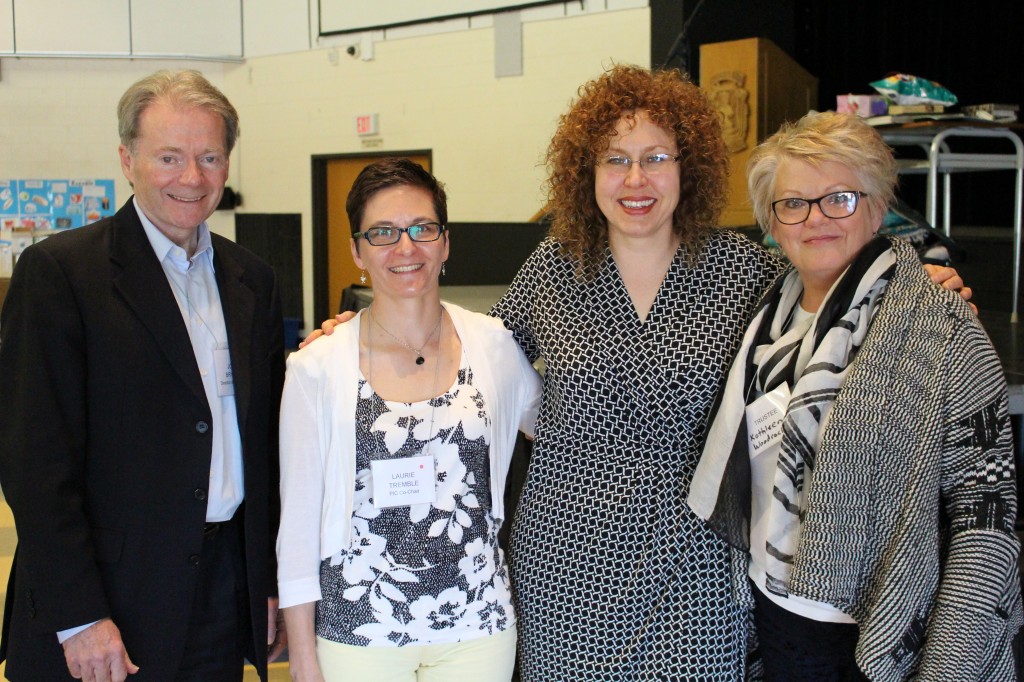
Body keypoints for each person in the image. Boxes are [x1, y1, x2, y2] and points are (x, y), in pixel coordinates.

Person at [306, 66, 972, 679]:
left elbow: (832, 291)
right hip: (566, 566)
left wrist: (915, 285)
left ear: (689, 167)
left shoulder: (741, 270)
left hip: (698, 566)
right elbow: (463, 353)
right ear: (585, 172)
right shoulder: (555, 268)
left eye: (655, 159)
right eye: (615, 161)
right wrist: (358, 334)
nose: (635, 181)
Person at [689, 110, 1023, 681]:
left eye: (839, 198)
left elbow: (986, 519)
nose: (814, 219)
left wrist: (950, 666)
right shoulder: (765, 317)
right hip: (770, 616)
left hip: (885, 636)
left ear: (876, 204)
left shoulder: (940, 325)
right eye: (793, 203)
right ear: (773, 219)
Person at [0, 70, 286, 681]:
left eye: (210, 157)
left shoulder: (252, 282)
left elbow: (264, 448)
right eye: (170, 157)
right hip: (106, 607)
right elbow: (33, 465)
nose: (192, 177)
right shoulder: (61, 275)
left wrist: (262, 582)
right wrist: (79, 616)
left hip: (219, 597)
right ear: (127, 160)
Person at [277, 158, 542, 682]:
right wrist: (302, 657)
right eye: (383, 233)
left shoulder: (493, 346)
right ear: (357, 250)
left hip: (477, 625)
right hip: (360, 631)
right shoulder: (317, 366)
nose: (406, 247)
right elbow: (299, 524)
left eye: (422, 228)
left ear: (445, 243)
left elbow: (563, 430)